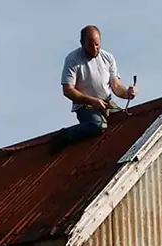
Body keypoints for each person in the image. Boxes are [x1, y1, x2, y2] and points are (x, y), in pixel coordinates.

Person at [51, 24, 138, 152]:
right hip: (85, 106)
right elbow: (68, 90)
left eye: (97, 44)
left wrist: (127, 93)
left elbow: (116, 85)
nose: (95, 49)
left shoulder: (108, 58)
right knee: (98, 126)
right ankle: (65, 135)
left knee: (126, 121)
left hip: (106, 103)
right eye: (90, 46)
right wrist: (92, 101)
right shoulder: (73, 59)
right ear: (82, 43)